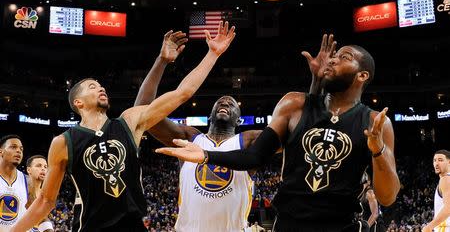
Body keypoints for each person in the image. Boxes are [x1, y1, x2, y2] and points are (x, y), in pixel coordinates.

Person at [10, 23, 235, 232]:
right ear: (78, 103)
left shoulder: (128, 121)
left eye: (100, 85)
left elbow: (182, 93)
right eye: (92, 87)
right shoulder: (63, 141)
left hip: (133, 226)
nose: (100, 88)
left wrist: (212, 54)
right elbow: (46, 201)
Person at [156, 40, 401, 231]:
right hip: (289, 223)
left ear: (362, 75)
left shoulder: (376, 122)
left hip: (343, 224)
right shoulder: (293, 103)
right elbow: (254, 157)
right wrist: (207, 155)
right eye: (334, 56)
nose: (333, 60)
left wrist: (377, 149)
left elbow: (387, 197)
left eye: (343, 57)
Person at [135, 34, 337, 232]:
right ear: (211, 115)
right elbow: (142, 112)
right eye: (220, 102)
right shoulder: (190, 137)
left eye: (231, 104)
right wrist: (161, 61)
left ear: (238, 119)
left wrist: (317, 83)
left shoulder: (249, 141)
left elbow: (304, 131)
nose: (225, 103)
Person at [0, 135, 27, 232]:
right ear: (1, 151)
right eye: (13, 147)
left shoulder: (27, 181)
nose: (19, 151)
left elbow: (37, 212)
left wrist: (48, 228)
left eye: (21, 149)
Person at [423, 149, 450, 232]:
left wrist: (429, 227)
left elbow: (448, 208)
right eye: (434, 160)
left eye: (440, 160)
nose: (436, 163)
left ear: (449, 162)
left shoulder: (445, 179)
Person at [26, 155, 54, 232]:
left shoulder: (46, 194)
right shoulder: (21, 186)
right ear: (29, 170)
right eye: (38, 166)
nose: (43, 169)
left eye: (45, 167)